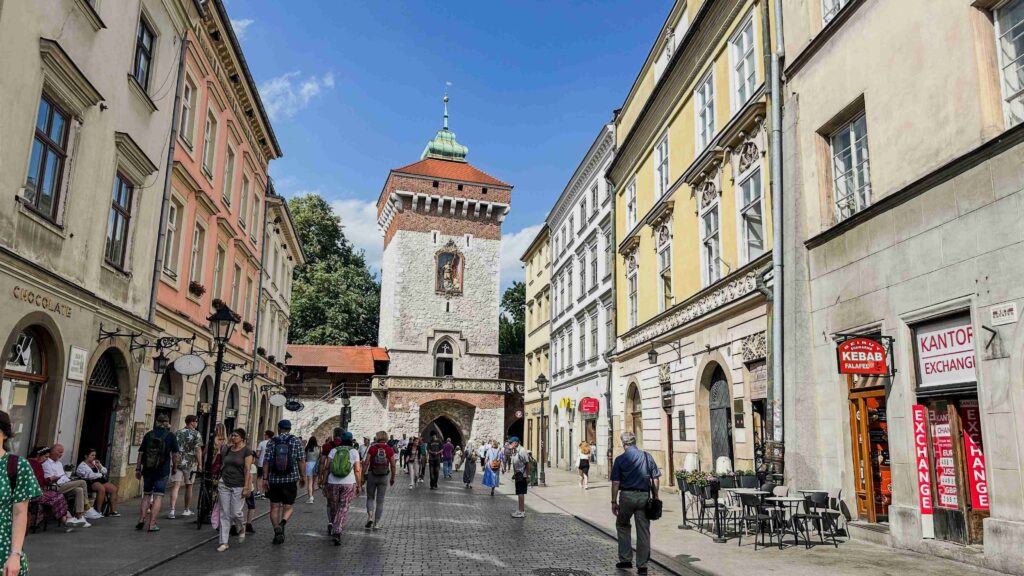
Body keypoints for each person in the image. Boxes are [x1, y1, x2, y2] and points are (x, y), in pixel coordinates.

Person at [611, 431, 660, 575]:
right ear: (634, 442)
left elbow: (615, 483)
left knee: (622, 525)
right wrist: (656, 496)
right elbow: (655, 479)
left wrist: (613, 501)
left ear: (624, 443)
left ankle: (626, 559)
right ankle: (642, 565)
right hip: (644, 496)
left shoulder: (620, 459)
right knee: (643, 530)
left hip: (626, 496)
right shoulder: (647, 456)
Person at [0, 410, 42, 576]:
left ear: (5, 434)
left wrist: (15, 554)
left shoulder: (17, 465)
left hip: (3, 549)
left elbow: (20, 513)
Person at [262, 420, 305, 544]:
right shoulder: (296, 441)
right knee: (288, 507)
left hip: (274, 479)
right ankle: (282, 523)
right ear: (289, 429)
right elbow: (301, 460)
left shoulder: (272, 441)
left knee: (274, 507)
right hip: (290, 479)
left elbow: (266, 461)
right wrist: (303, 476)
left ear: (279, 428)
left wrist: (265, 478)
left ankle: (277, 531)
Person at [135, 413, 180, 532]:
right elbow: (175, 455)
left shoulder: (149, 434)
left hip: (148, 470)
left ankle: (141, 519)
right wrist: (175, 467)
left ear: (156, 422)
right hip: (162, 471)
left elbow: (141, 453)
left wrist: (138, 469)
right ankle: (152, 524)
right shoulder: (170, 436)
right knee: (158, 496)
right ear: (167, 423)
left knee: (146, 495)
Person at [319, 432, 361, 545]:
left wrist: (324, 482)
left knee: (334, 506)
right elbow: (357, 469)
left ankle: (334, 525)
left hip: (333, 482)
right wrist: (359, 484)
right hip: (349, 483)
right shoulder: (354, 451)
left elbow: (327, 467)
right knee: (343, 507)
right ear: (351, 440)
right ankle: (337, 530)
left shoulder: (334, 450)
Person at [216, 428, 254, 552]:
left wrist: (247, 486)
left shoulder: (247, 451)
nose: (233, 437)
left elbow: (247, 470)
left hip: (239, 485)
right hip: (224, 483)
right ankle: (224, 542)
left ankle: (241, 528)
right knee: (224, 513)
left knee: (235, 512)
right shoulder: (227, 449)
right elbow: (222, 463)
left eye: (236, 435)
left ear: (242, 438)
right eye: (232, 435)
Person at [42, 444, 97, 524]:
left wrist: (69, 481)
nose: (61, 454)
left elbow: (63, 476)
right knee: (82, 482)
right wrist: (60, 479)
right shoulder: (46, 463)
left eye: (62, 453)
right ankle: (87, 506)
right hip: (55, 486)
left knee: (79, 490)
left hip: (64, 484)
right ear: (52, 452)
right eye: (59, 452)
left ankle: (80, 516)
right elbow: (50, 479)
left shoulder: (59, 463)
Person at [27, 447, 76, 528]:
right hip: (35, 492)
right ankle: (67, 520)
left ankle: (67, 520)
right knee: (58, 497)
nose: (46, 459)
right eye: (45, 457)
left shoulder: (30, 462)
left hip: (34, 491)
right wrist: (50, 479)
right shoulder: (35, 464)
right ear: (39, 455)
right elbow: (39, 481)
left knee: (58, 496)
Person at [167, 415, 203, 519]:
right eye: (196, 421)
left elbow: (172, 449)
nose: (197, 423)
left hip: (177, 462)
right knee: (189, 485)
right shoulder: (196, 434)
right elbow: (198, 450)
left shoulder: (177, 433)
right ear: (192, 422)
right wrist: (200, 464)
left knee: (175, 486)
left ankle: (172, 510)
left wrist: (173, 461)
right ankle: (186, 509)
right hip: (190, 463)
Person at [362, 430, 396, 530]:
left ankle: (370, 517)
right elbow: (393, 465)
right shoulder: (389, 449)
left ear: (378, 437)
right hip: (384, 476)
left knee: (370, 497)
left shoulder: (372, 448)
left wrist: (363, 475)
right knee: (380, 501)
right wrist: (392, 478)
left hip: (372, 475)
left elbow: (366, 462)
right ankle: (376, 523)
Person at [76, 449, 119, 516]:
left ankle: (113, 511)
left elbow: (105, 471)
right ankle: (98, 510)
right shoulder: (82, 466)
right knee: (101, 489)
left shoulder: (95, 463)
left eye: (94, 455)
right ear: (86, 456)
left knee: (114, 489)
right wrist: (100, 474)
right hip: (90, 481)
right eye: (92, 455)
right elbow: (90, 476)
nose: (94, 457)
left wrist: (100, 466)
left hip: (100, 479)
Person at [508, 437, 531, 518]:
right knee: (519, 492)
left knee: (521, 493)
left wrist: (528, 476)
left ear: (516, 443)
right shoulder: (515, 451)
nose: (510, 444)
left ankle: (521, 512)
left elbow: (527, 463)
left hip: (522, 475)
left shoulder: (522, 451)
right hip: (518, 474)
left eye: (511, 443)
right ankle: (520, 510)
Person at [254, 430, 274, 498]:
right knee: (266, 478)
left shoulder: (262, 443)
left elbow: (257, 454)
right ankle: (264, 493)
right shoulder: (273, 443)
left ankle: (258, 492)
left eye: (265, 434)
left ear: (267, 435)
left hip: (261, 463)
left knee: (259, 477)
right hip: (270, 464)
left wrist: (256, 456)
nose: (264, 436)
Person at [304, 437, 319, 504]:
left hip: (309, 465)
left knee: (309, 483)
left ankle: (310, 497)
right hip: (316, 465)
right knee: (314, 483)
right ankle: (312, 495)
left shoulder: (307, 448)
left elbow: (304, 457)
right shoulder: (318, 448)